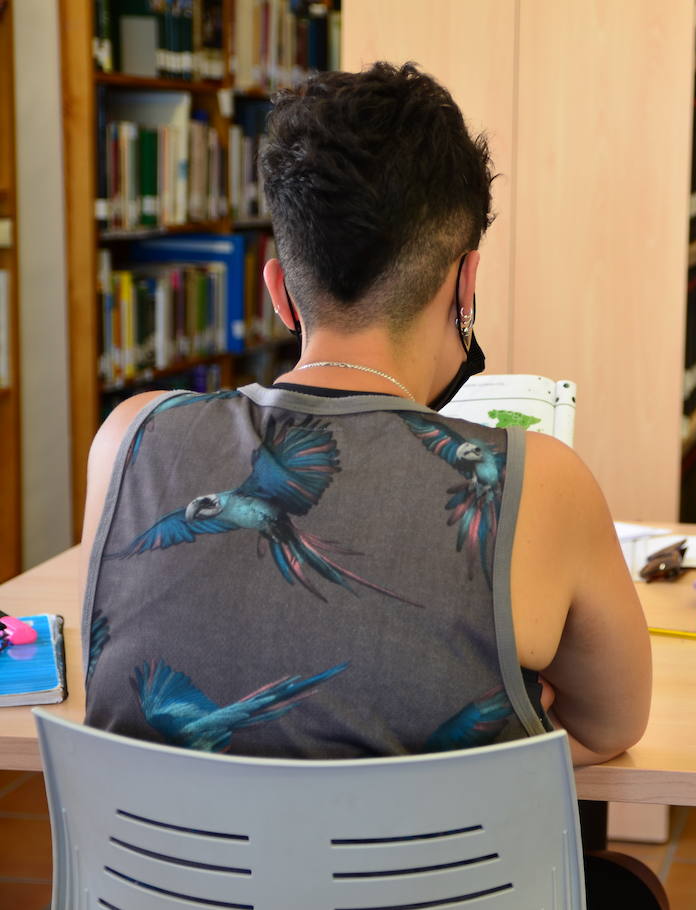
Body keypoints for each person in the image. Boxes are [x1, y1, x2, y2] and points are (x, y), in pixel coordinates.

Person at [80, 63, 651, 772]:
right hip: (435, 886)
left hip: (167, 883)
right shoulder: (541, 482)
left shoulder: (129, 439)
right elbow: (607, 727)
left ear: (279, 292)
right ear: (465, 283)